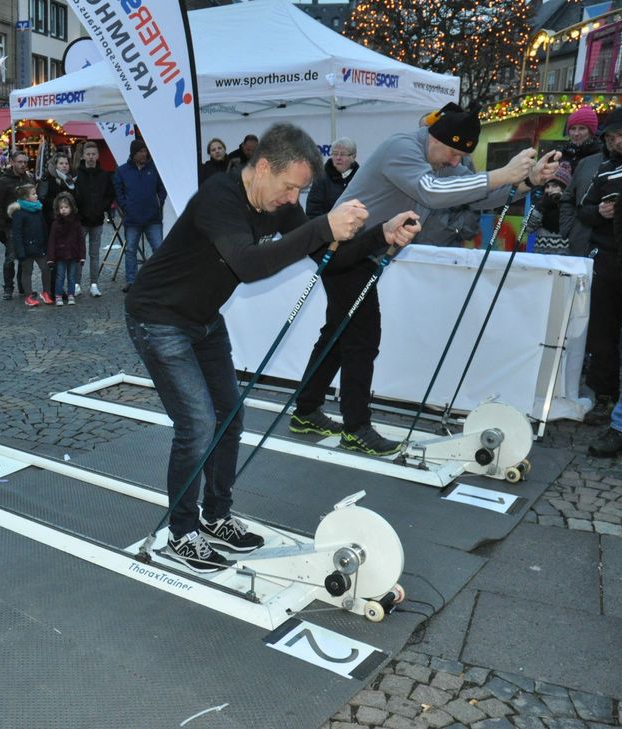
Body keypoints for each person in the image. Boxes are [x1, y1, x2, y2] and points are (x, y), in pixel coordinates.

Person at [125, 122, 420, 573]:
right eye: (289, 188)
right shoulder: (217, 199)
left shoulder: (278, 203)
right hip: (158, 317)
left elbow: (331, 256)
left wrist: (382, 236)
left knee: (230, 414)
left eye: (300, 192)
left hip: (203, 320)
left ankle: (216, 516)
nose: (291, 201)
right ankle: (181, 532)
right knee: (198, 424)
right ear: (263, 167)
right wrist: (321, 225)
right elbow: (246, 264)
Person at [291, 102, 560, 455]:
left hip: (366, 252)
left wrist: (526, 181)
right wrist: (502, 174)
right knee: (362, 339)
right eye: (452, 153)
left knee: (339, 334)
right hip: (346, 251)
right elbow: (432, 191)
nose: (453, 162)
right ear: (436, 137)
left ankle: (307, 410)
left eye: (460, 156)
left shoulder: (436, 160)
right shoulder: (401, 148)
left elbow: (474, 195)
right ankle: (354, 427)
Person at [578, 107, 622, 425]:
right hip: (607, 259)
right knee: (602, 333)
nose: (618, 142)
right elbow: (583, 209)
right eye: (612, 138)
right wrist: (599, 211)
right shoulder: (605, 168)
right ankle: (604, 397)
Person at [113, 139, 166, 292]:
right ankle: (131, 281)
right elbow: (118, 191)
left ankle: (160, 279)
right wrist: (126, 207)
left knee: (159, 248)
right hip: (132, 218)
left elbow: (162, 189)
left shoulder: (154, 169)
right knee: (130, 250)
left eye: (145, 151)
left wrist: (158, 203)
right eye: (141, 151)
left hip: (153, 218)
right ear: (133, 153)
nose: (144, 154)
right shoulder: (122, 171)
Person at [73, 141, 115, 297]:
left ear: (97, 156)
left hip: (97, 219)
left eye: (93, 154)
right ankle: (76, 284)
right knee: (79, 253)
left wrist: (102, 207)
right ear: (83, 156)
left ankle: (94, 284)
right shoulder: (77, 174)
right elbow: (73, 195)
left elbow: (110, 195)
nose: (91, 157)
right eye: (88, 154)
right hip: (81, 220)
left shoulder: (104, 175)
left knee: (95, 253)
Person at [0, 150, 34, 299]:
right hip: (10, 225)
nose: (23, 164)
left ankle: (22, 286)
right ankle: (8, 288)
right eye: (20, 162)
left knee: (24, 258)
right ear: (12, 162)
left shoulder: (29, 179)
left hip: (27, 224)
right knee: (10, 258)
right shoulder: (4, 181)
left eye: (25, 162)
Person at [9, 183, 52, 307]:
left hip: (40, 247)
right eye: (33, 194)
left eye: (35, 193)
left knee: (46, 268)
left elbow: (44, 228)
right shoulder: (19, 213)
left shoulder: (38, 209)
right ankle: (28, 296)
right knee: (27, 272)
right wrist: (20, 251)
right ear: (25, 198)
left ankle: (46, 292)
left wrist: (46, 243)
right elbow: (17, 234)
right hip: (26, 249)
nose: (36, 195)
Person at [524, 163, 573, 255]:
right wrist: (540, 207)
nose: (549, 190)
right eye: (547, 186)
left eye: (555, 186)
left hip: (565, 261)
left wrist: (563, 203)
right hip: (541, 259)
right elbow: (527, 228)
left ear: (564, 188)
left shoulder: (571, 206)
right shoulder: (542, 204)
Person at [47, 192, 86, 306]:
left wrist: (82, 256)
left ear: (71, 208)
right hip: (60, 255)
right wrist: (51, 258)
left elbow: (81, 241)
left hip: (73, 254)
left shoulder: (76, 223)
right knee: (60, 276)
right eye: (61, 208)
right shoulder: (55, 224)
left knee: (71, 276)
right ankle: (58, 295)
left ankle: (71, 294)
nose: (63, 210)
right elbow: (52, 241)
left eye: (66, 207)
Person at [305, 137, 359, 217]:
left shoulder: (360, 177)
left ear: (353, 157)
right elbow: (312, 212)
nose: (338, 158)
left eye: (343, 154)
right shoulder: (321, 178)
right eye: (335, 153)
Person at [562, 105, 602, 173]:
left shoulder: (600, 156)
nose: (576, 133)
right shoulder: (561, 154)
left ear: (591, 132)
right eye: (573, 128)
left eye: (582, 128)